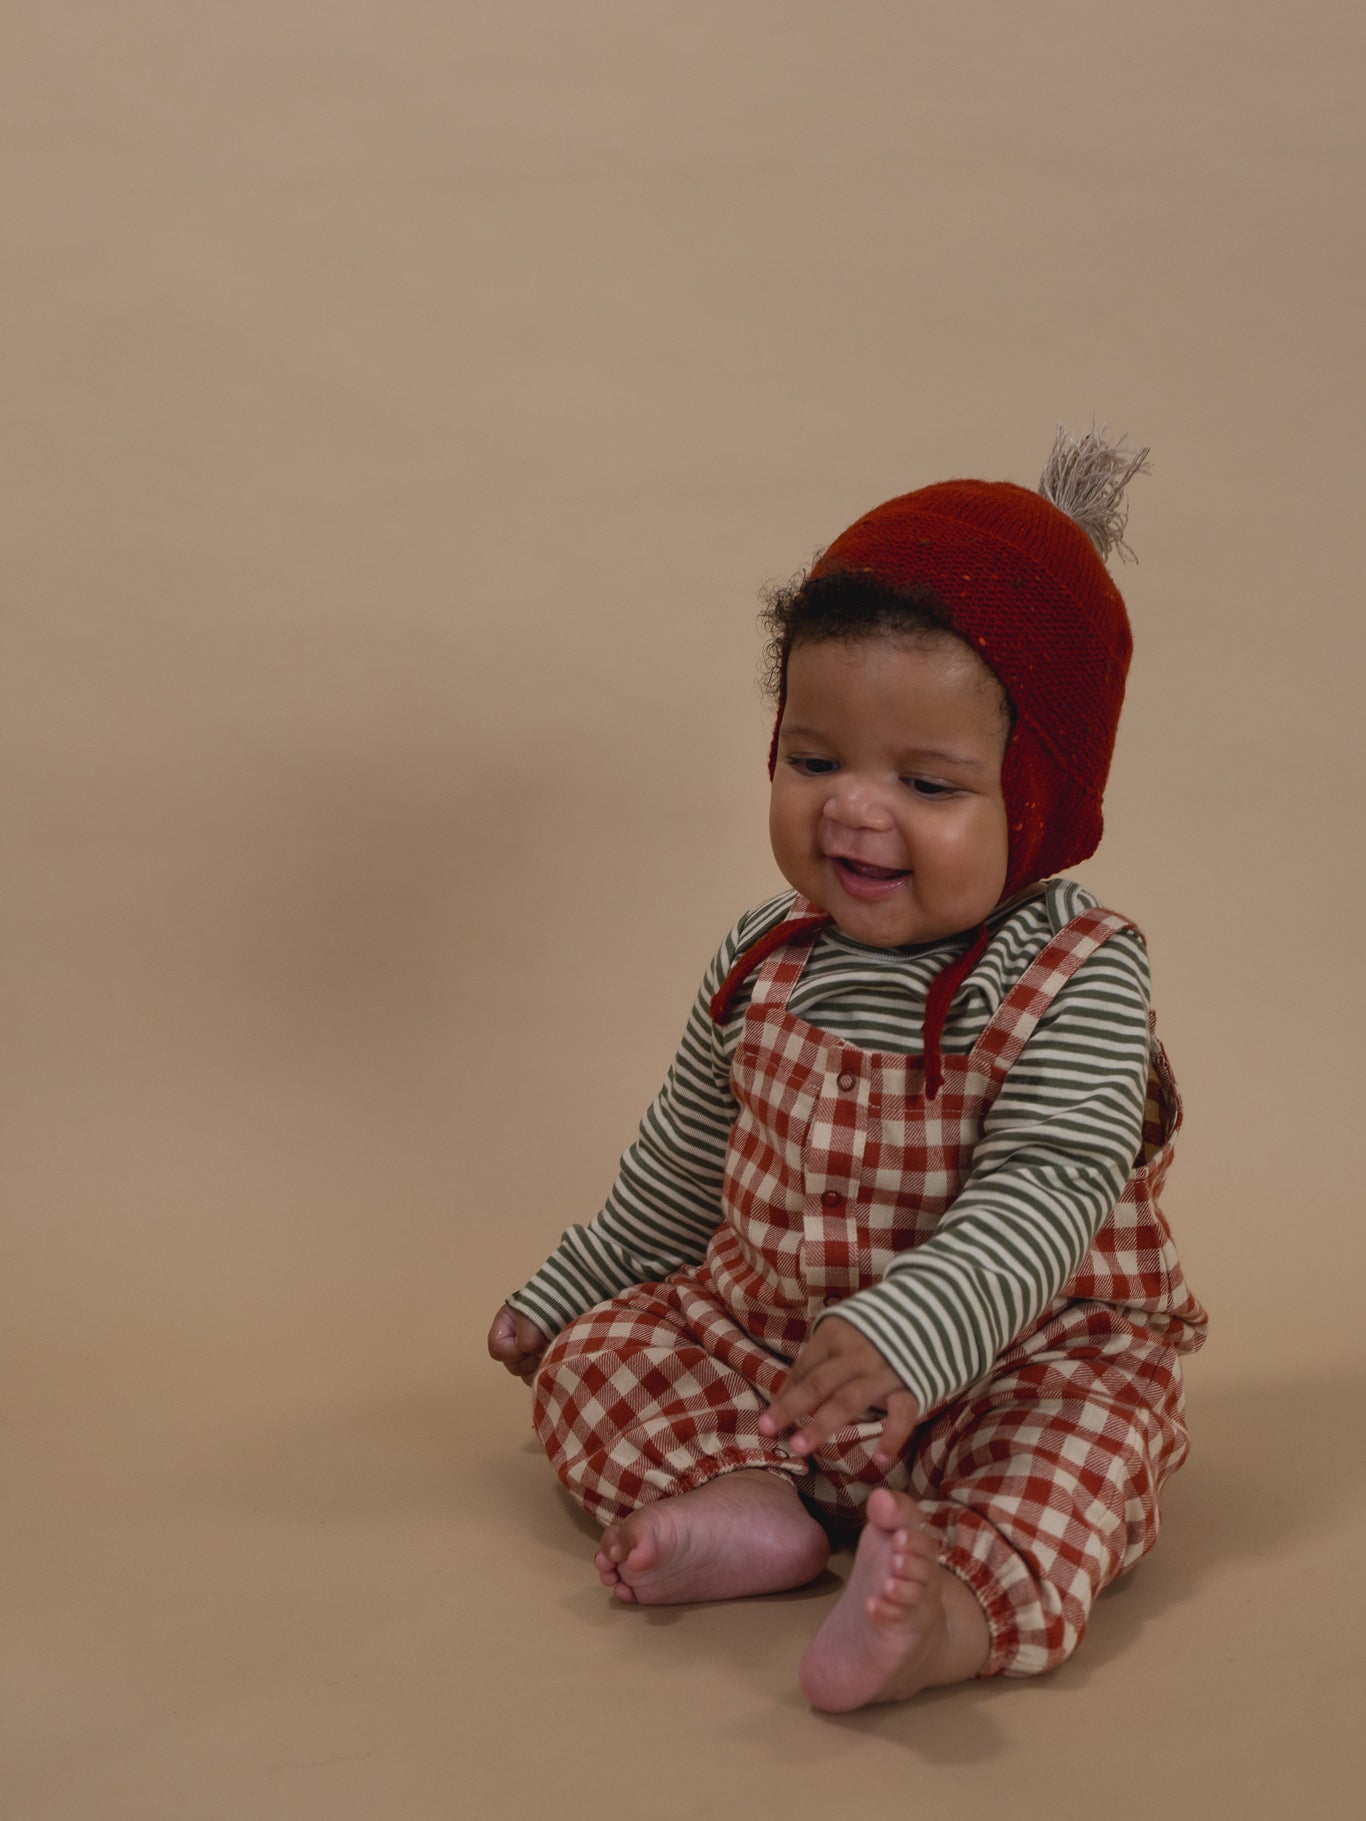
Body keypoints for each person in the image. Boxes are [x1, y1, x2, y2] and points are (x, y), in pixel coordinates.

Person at [487, 427, 1207, 1712]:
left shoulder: (1075, 975)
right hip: (778, 1362)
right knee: (596, 1366)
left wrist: (911, 1331)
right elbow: (677, 1167)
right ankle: (760, 1510)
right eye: (814, 760)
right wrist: (567, 1288)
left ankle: (948, 1613)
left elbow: (1046, 1186)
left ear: (1037, 797)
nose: (852, 810)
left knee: (1090, 1450)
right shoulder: (764, 957)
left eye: (927, 783)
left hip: (1005, 1367)